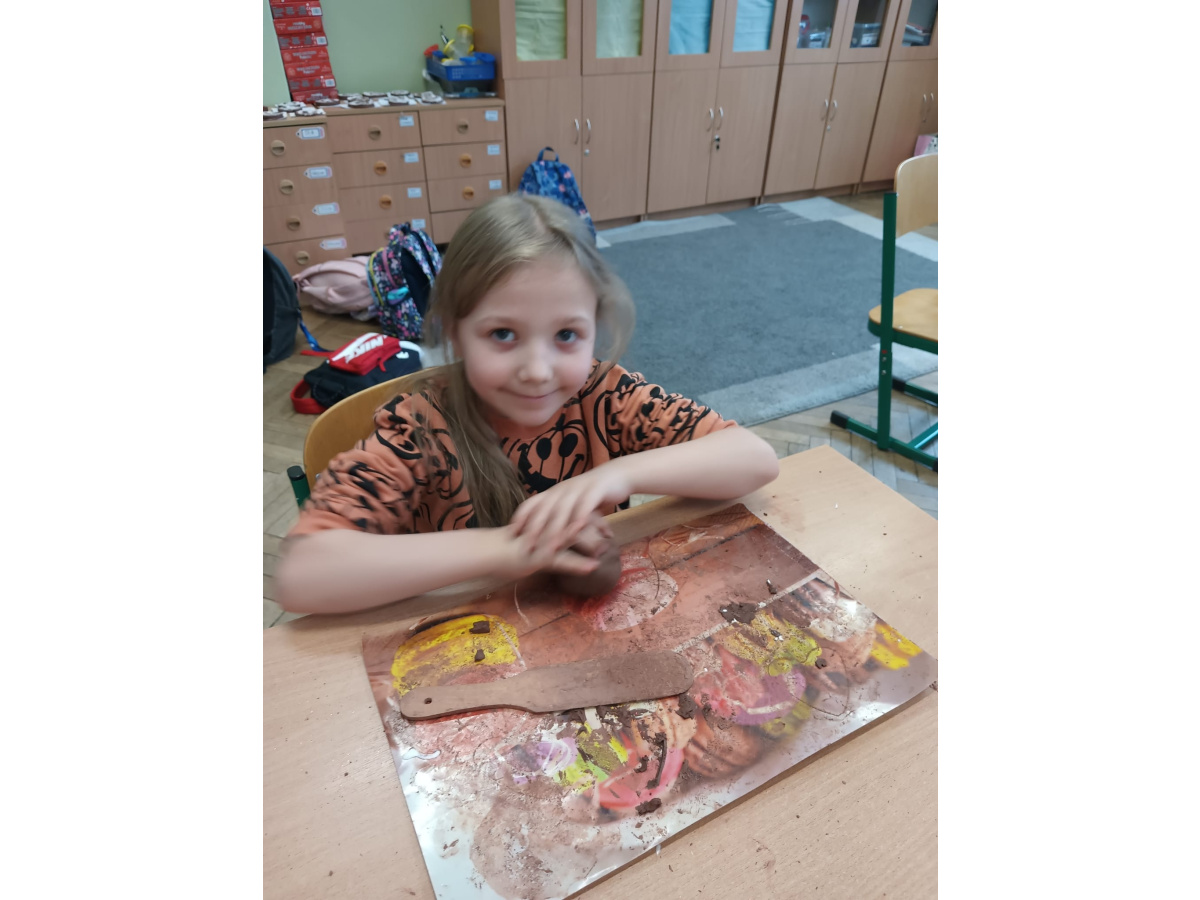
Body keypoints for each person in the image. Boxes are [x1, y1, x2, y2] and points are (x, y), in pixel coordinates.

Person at [275, 194, 780, 614]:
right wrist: (511, 549)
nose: (537, 370)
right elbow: (304, 575)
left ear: (594, 327)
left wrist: (618, 475)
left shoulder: (606, 395)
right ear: (456, 333)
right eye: (502, 334)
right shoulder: (417, 429)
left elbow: (754, 458)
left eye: (566, 334)